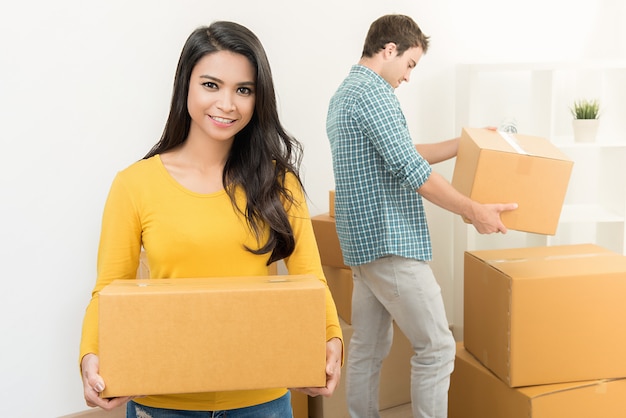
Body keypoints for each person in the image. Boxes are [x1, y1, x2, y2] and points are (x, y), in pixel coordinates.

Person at [79, 21, 343, 418]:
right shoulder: (134, 184)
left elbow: (309, 276)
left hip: (261, 399)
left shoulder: (277, 180)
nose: (227, 104)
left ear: (258, 98)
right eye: (210, 85)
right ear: (185, 85)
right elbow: (108, 290)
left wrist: (331, 338)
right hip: (162, 398)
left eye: (243, 90)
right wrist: (90, 356)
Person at [326, 14, 518, 418]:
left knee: (368, 348)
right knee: (437, 347)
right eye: (410, 64)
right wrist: (474, 210)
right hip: (390, 242)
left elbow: (402, 151)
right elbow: (411, 170)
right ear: (389, 49)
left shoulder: (346, 93)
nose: (409, 77)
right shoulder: (374, 94)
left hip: (364, 246)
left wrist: (463, 143)